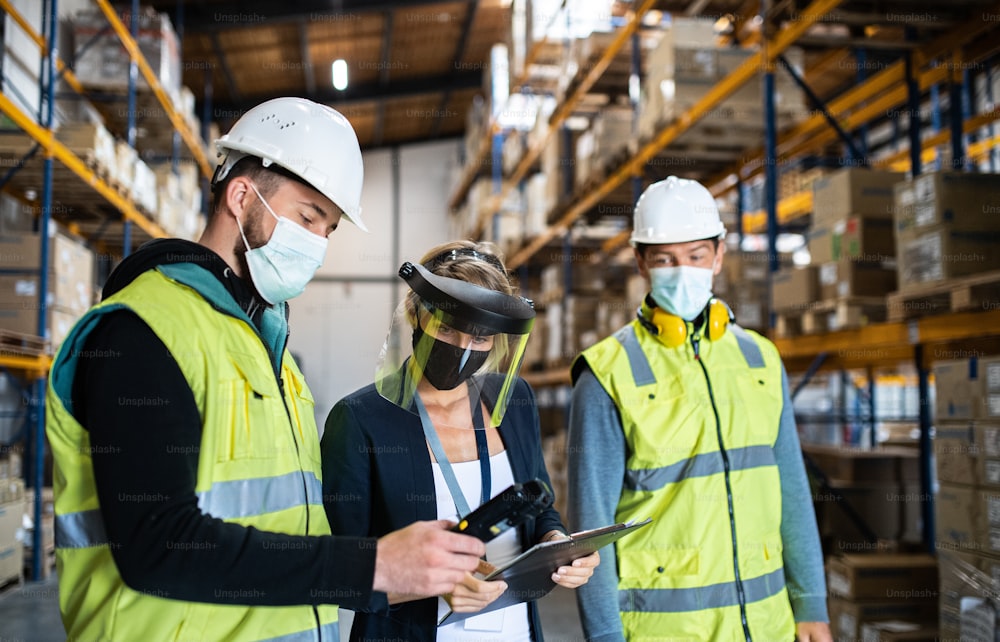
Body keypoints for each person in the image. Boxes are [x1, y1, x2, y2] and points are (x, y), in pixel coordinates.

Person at [45, 97, 487, 641]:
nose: (319, 247)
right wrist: (373, 566)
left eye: (328, 230)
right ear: (241, 195)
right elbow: (158, 544)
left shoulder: (270, 352)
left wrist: (418, 563)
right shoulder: (142, 332)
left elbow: (290, 526)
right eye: (307, 217)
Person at [567, 176, 832, 642]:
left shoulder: (760, 359)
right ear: (640, 262)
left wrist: (811, 605)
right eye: (665, 259)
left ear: (719, 255)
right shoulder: (607, 374)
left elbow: (792, 493)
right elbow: (592, 532)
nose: (682, 270)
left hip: (768, 627)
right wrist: (605, 638)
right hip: (664, 632)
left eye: (695, 256)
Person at [321, 240, 599, 641]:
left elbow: (540, 508)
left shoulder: (514, 401)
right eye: (448, 328)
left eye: (481, 339)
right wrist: (430, 582)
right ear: (417, 315)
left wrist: (557, 545)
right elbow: (339, 571)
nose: (463, 350)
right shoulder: (362, 419)